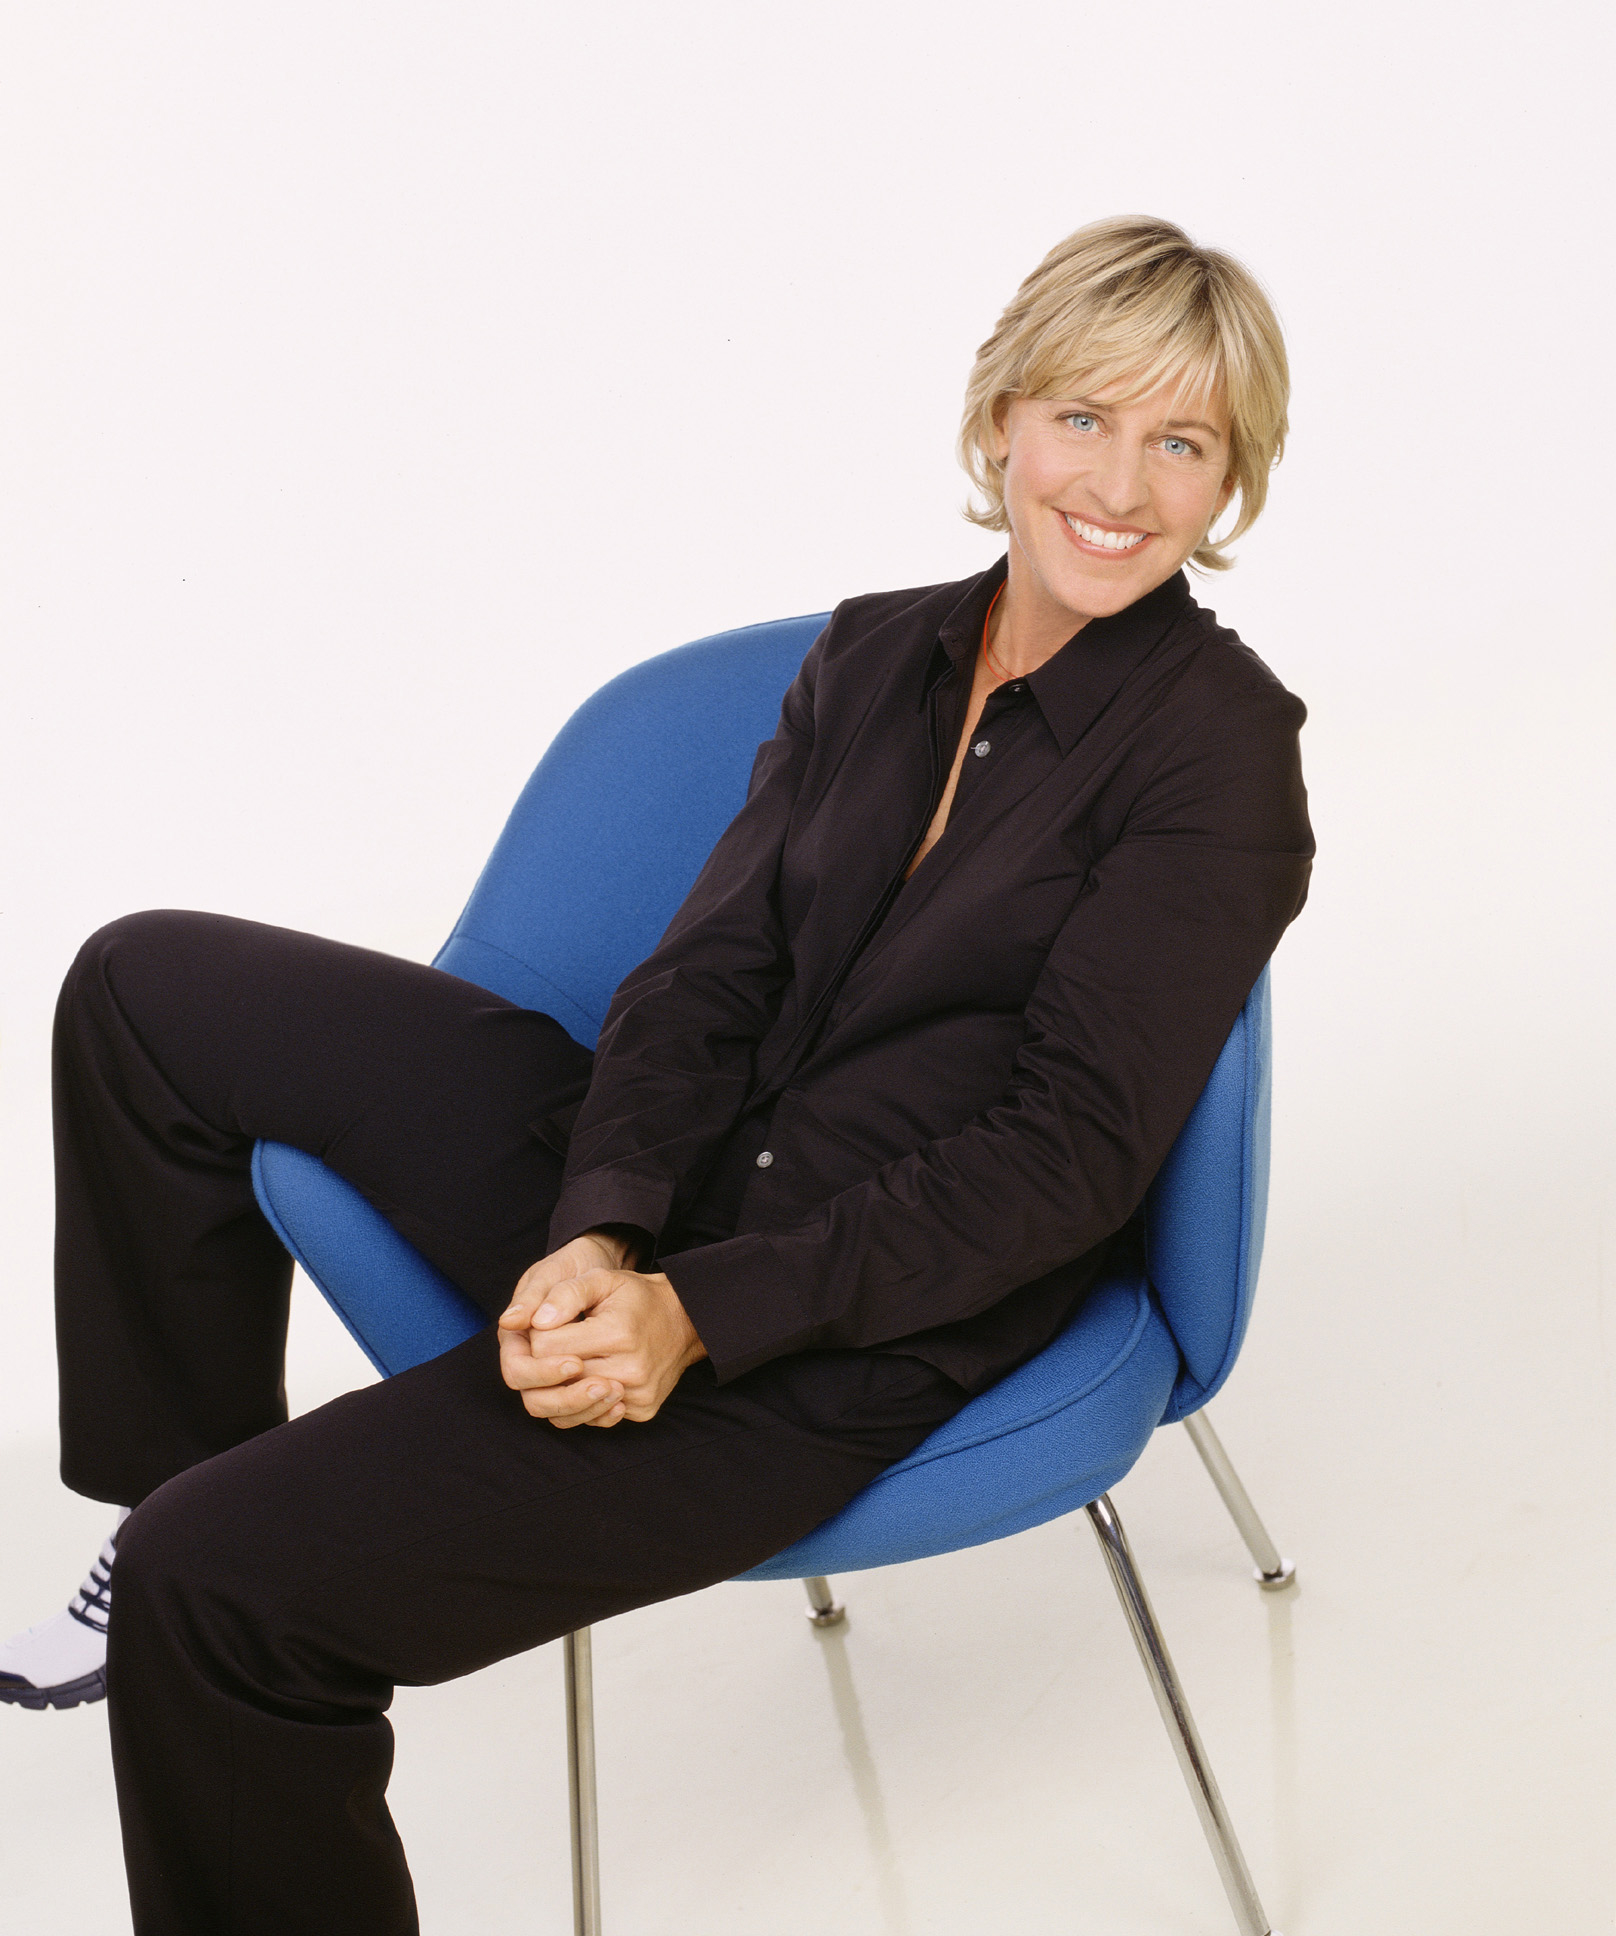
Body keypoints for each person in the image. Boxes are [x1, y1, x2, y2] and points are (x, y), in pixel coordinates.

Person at [1, 214, 1313, 1932]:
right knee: (145, 987)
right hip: (680, 1174)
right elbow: (707, 972)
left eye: (1183, 441)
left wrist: (695, 1314)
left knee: (226, 1592)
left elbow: (1061, 1163)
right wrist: (600, 1225)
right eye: (1086, 416)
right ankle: (169, 1484)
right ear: (1004, 419)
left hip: (842, 1321)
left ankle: (192, 1552)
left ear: (1232, 486)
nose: (1122, 484)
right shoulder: (877, 651)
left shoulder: (1222, 756)